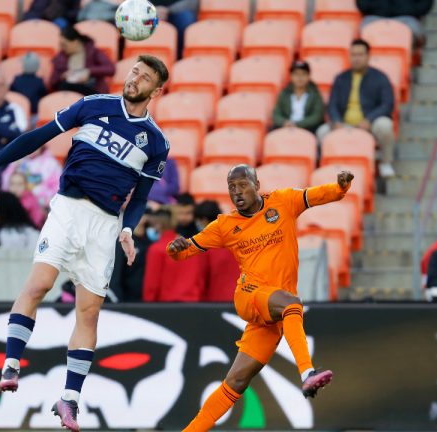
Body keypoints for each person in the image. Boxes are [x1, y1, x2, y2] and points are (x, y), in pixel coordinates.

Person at [0, 54, 170, 431]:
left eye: (144, 77)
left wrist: (128, 229)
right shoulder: (93, 106)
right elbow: (35, 137)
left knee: (89, 312)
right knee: (40, 284)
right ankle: (11, 362)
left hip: (105, 225)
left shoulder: (156, 142)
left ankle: (69, 399)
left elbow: (139, 198)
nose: (134, 78)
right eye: (134, 71)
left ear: (156, 90)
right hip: (68, 210)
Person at [166, 165, 353, 430]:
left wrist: (340, 188)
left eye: (242, 184)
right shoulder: (225, 225)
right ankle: (307, 372)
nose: (237, 192)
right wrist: (174, 249)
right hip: (250, 295)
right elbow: (185, 251)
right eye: (231, 187)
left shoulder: (284, 202)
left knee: (236, 382)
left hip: (271, 313)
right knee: (292, 304)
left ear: (257, 183)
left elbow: (319, 195)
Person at [317, 39, 396, 178]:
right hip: (344, 124)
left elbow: (387, 104)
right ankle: (331, 166)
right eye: (353, 55)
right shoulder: (341, 78)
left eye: (360, 54)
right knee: (322, 132)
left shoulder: (380, 78)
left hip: (369, 123)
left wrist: (369, 119)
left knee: (385, 125)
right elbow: (332, 104)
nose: (356, 58)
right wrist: (336, 121)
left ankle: (385, 163)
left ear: (368, 56)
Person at [143, 207, 208, 302]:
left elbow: (152, 285)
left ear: (158, 225)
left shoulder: (156, 249)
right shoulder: (192, 247)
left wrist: (147, 306)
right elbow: (201, 280)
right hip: (193, 303)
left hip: (166, 305)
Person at [50, 25, 116, 95]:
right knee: (64, 86)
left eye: (65, 45)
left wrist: (89, 72)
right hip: (69, 94)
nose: (62, 48)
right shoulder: (61, 57)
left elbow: (110, 69)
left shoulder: (93, 52)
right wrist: (63, 76)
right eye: (61, 45)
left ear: (75, 41)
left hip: (91, 91)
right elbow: (53, 81)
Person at [194, 200, 239, 302]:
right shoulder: (238, 238)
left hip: (216, 301)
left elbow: (201, 280)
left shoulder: (205, 245)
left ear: (204, 220)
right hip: (244, 299)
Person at [0, 146, 62, 215]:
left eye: (36, 143)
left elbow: (58, 189)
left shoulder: (51, 163)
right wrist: (13, 167)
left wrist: (44, 201)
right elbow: (5, 185)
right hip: (15, 207)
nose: (32, 146)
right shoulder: (17, 160)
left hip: (41, 209)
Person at [272, 60, 325, 133]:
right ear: (291, 76)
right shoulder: (284, 93)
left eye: (303, 74)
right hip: (287, 126)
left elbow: (317, 116)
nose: (300, 77)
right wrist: (284, 122)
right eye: (296, 74)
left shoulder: (315, 93)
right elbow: (276, 114)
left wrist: (298, 124)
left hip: (308, 128)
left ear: (308, 76)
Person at [109, 211, 151, 302]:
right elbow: (116, 272)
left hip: (146, 297)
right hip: (127, 298)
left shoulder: (150, 242)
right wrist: (117, 298)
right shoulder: (123, 242)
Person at [356, 0, 433, 48]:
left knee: (415, 29)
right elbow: (362, 4)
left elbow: (425, 4)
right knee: (364, 29)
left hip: (407, 18)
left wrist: (409, 10)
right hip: (375, 17)